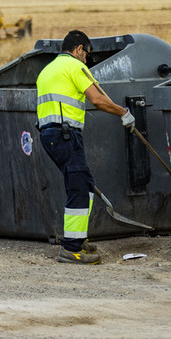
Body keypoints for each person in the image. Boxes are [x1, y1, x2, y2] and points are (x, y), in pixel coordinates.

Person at [36, 30, 135, 264]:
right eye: (87, 54)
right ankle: (71, 248)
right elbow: (98, 100)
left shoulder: (47, 70)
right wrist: (124, 113)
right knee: (79, 188)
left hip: (49, 135)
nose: (87, 60)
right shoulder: (74, 67)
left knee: (84, 184)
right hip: (66, 134)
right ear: (79, 49)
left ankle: (77, 239)